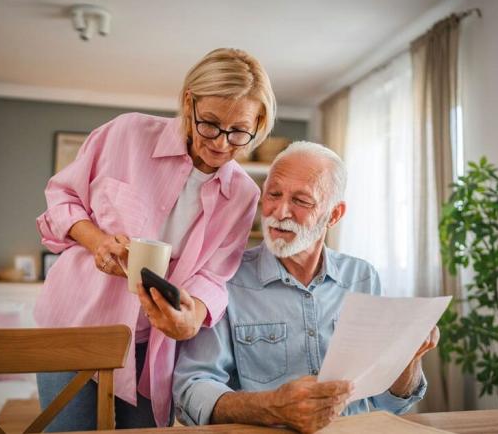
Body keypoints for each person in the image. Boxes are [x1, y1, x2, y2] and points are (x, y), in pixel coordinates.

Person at [34, 48, 276, 431]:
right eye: (209, 124)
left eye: (239, 132)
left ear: (258, 123)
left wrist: (191, 319)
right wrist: (98, 241)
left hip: (152, 347)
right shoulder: (126, 134)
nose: (221, 144)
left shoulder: (243, 194)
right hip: (75, 327)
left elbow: (214, 278)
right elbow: (62, 198)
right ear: (188, 102)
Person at [173, 141, 439, 433]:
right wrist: (272, 407)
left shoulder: (363, 277)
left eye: (301, 201)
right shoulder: (224, 279)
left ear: (334, 215)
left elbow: (392, 403)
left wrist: (409, 357)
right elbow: (191, 389)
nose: (280, 211)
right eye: (273, 194)